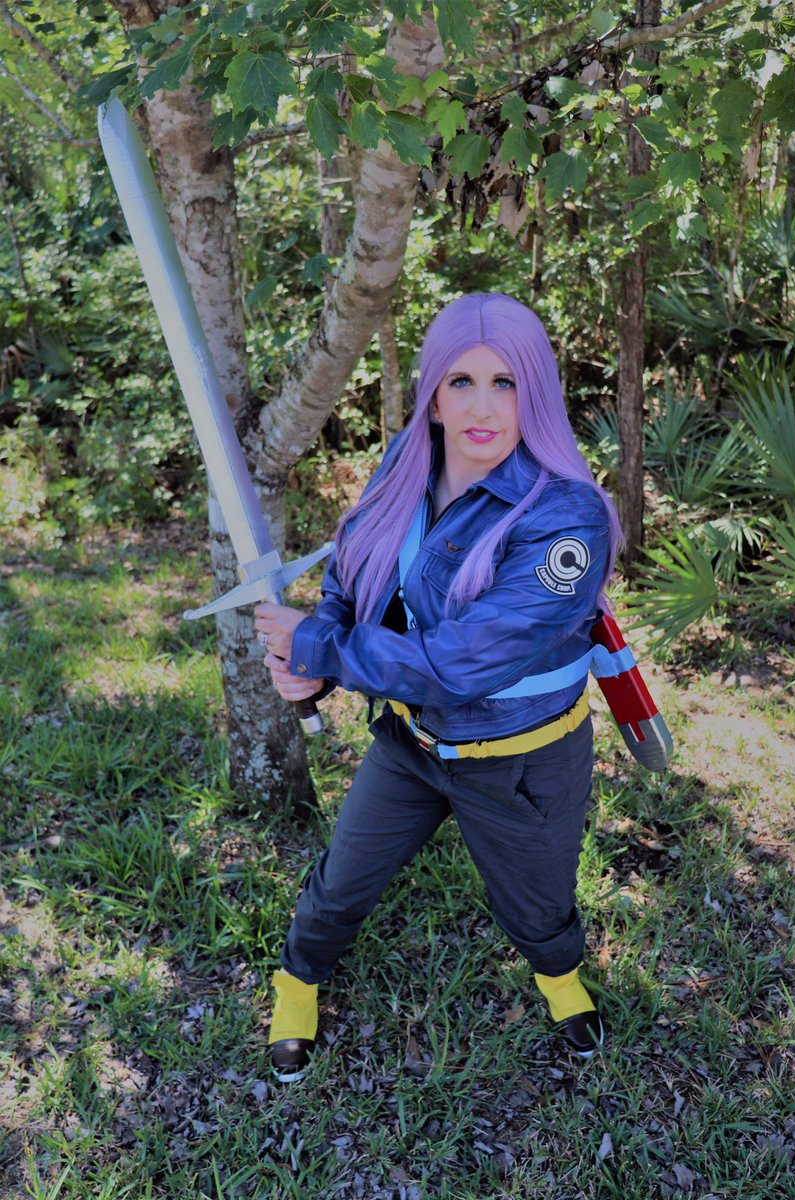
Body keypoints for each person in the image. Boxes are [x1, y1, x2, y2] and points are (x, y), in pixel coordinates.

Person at [254, 292, 623, 1083]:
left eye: (504, 382)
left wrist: (320, 647)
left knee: (538, 906)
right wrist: (318, 648)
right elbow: (354, 571)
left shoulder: (568, 518)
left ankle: (560, 980)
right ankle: (297, 981)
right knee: (341, 881)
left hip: (523, 762)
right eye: (461, 381)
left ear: (536, 391)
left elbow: (462, 662)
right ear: (432, 392)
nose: (481, 408)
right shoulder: (408, 460)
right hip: (412, 743)